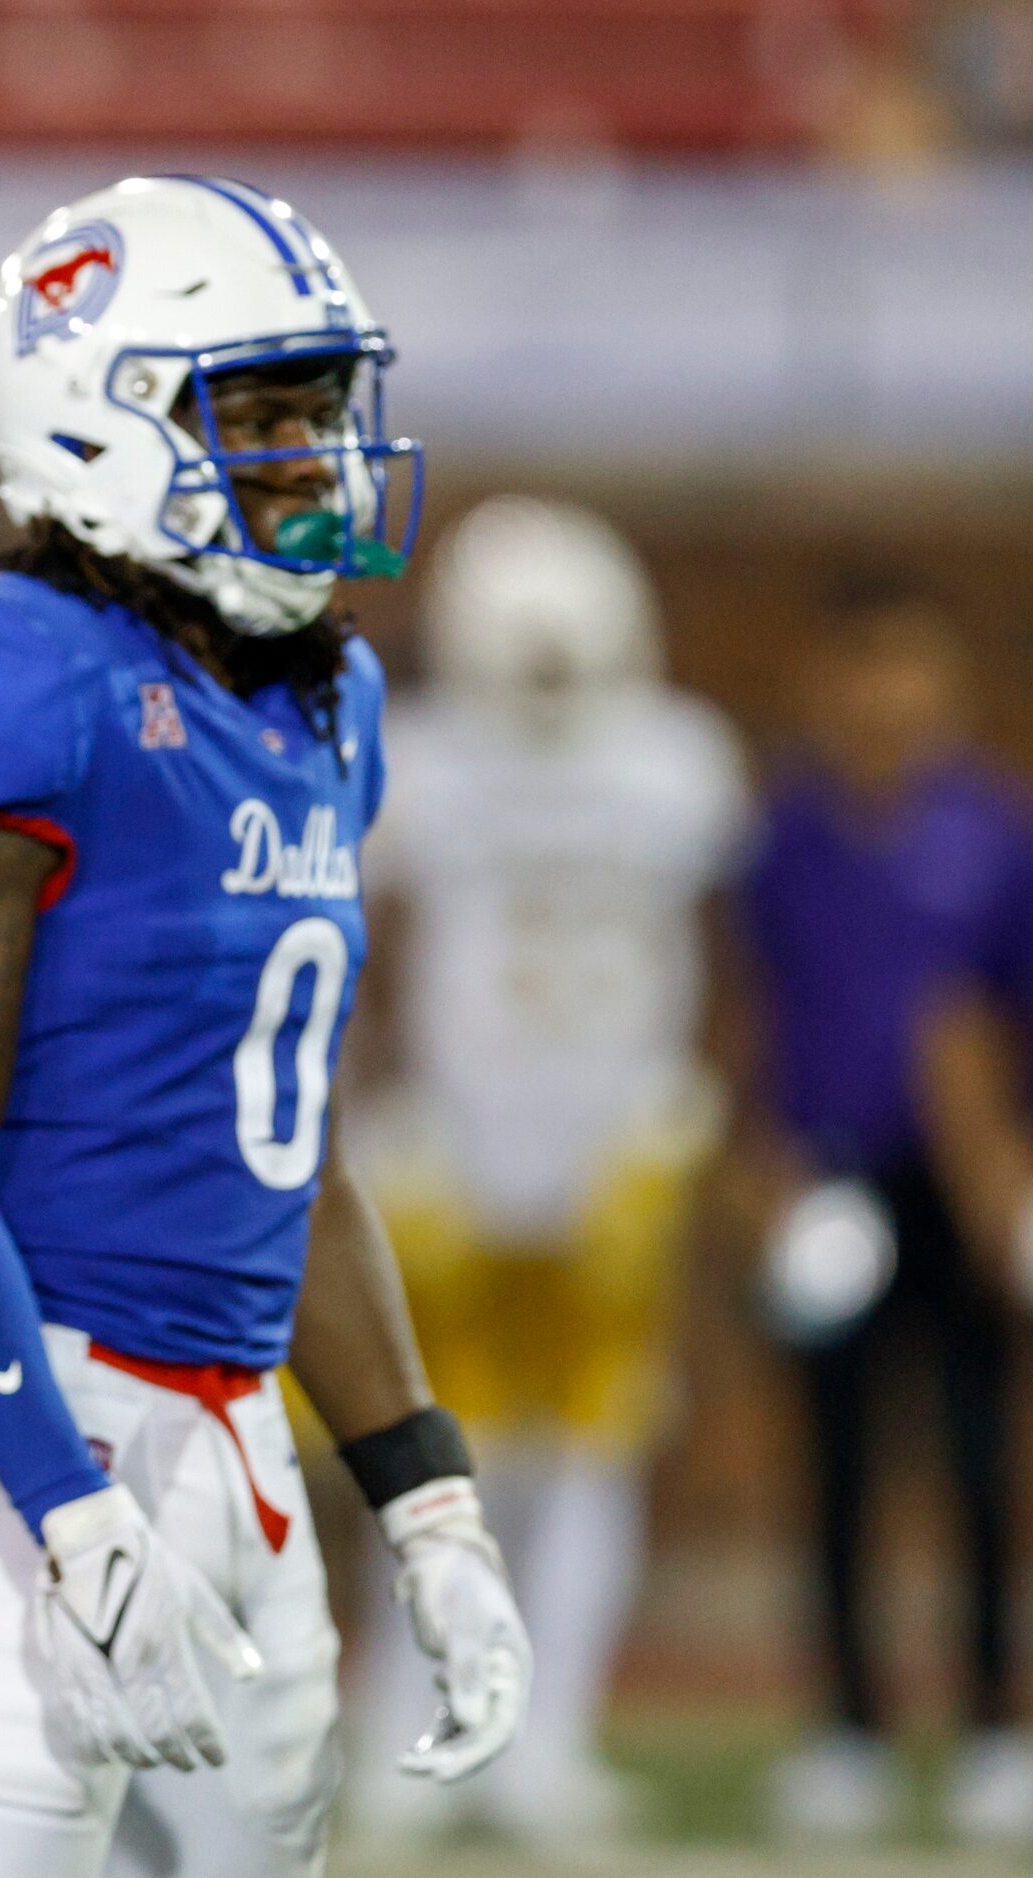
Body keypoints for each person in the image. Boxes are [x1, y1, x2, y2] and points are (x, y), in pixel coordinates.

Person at [0, 176, 532, 1877]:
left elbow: (292, 1146)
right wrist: (62, 1501)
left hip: (235, 1425)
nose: (313, 461)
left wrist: (424, 1496)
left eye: (324, 412)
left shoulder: (319, 700)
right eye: (259, 416)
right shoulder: (1, 675)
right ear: (101, 423)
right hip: (0, 1409)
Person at [342, 497, 748, 1847]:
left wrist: (689, 1101)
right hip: (450, 1149)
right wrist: (383, 1107)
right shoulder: (424, 760)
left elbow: (720, 943)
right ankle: (416, 1723)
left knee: (587, 1451)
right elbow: (375, 936)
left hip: (613, 1148)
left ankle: (548, 1736)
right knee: (428, 1448)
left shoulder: (680, 764)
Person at [738, 579, 1033, 1846]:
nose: (885, 697)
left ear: (946, 683)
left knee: (975, 1466)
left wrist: (1007, 1186)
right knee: (837, 1468)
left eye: (908, 669)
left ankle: (988, 1728)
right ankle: (846, 1731)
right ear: (827, 680)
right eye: (863, 668)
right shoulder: (785, 840)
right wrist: (748, 1163)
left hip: (955, 1190)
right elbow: (751, 1006)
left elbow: (1003, 1020)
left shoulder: (995, 835)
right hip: (824, 1183)